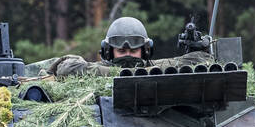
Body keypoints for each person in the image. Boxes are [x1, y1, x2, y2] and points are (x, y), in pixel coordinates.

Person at [28, 16, 214, 78]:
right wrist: (121, 75)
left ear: (145, 50)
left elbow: (203, 62)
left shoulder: (157, 67)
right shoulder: (96, 71)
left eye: (133, 50)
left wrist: (200, 47)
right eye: (122, 50)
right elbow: (69, 66)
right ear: (109, 51)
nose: (128, 55)